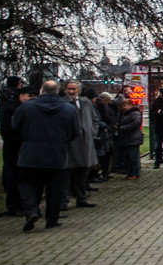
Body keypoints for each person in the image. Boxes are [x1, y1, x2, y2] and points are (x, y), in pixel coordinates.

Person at [13, 80, 80, 232]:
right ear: (58, 92)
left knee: (27, 184)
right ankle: (52, 220)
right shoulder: (69, 110)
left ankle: (31, 211)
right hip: (57, 155)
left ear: (41, 91)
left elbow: (15, 126)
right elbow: (76, 131)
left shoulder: (26, 107)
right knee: (55, 188)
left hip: (30, 154)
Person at [61, 80, 99, 209]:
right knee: (67, 174)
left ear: (78, 90)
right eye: (69, 89)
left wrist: (92, 131)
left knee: (82, 173)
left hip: (85, 142)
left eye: (73, 89)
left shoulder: (86, 103)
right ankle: (63, 201)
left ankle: (81, 198)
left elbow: (95, 119)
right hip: (69, 143)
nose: (71, 91)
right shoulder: (62, 103)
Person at [0, 76, 26, 214]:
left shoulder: (5, 98)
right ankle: (14, 205)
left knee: (12, 172)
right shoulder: (11, 102)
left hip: (11, 144)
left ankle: (16, 203)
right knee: (14, 174)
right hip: (13, 144)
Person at [116, 97, 144, 180]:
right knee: (127, 157)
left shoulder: (134, 113)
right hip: (127, 138)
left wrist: (123, 127)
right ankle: (130, 173)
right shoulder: (124, 113)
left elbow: (136, 123)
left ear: (130, 105)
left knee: (133, 157)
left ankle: (135, 173)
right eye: (123, 105)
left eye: (125, 105)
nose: (124, 107)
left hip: (133, 138)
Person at [94, 92, 118, 181]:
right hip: (105, 134)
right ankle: (103, 173)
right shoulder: (102, 108)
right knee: (105, 154)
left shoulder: (103, 107)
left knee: (105, 154)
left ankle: (104, 173)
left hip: (106, 133)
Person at [150, 87, 163, 169]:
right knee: (158, 146)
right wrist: (157, 113)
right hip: (159, 126)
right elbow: (152, 113)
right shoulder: (156, 102)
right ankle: (157, 161)